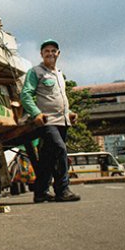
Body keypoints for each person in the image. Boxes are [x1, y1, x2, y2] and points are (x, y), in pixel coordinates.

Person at [20, 39, 81, 203]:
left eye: (53, 50)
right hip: (47, 121)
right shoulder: (36, 72)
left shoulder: (60, 74)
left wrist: (70, 113)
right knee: (60, 150)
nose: (50, 53)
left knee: (47, 158)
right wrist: (36, 113)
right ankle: (62, 190)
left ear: (58, 54)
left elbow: (60, 98)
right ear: (41, 54)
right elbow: (25, 94)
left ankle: (40, 192)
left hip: (63, 121)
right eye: (46, 51)